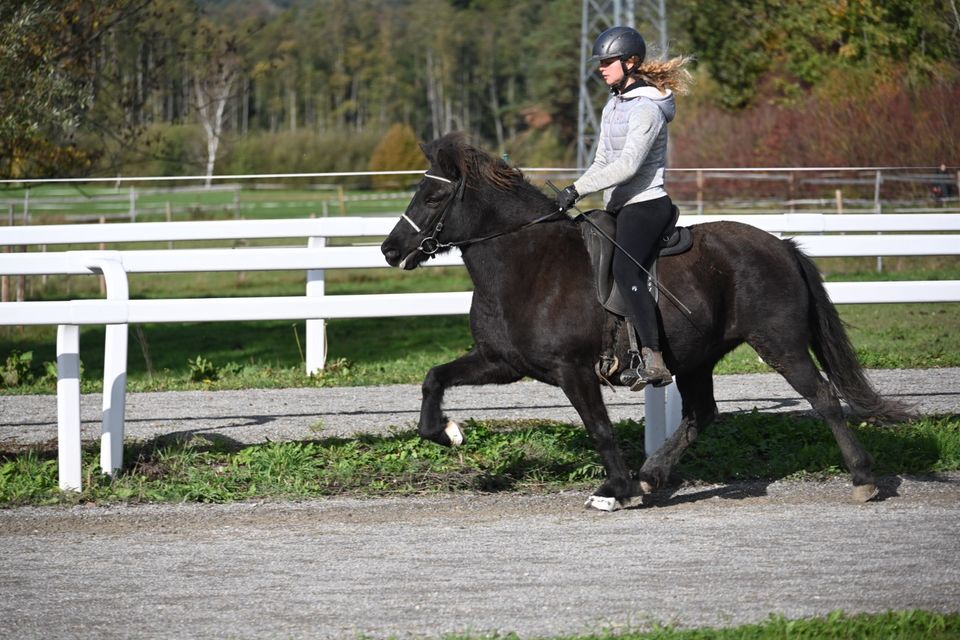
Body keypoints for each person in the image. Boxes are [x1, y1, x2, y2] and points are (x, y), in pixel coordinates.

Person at [556, 25, 693, 391]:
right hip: (618, 205)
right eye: (600, 62)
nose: (601, 68)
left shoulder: (647, 110)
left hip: (646, 204)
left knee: (626, 273)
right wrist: (576, 192)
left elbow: (629, 166)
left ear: (630, 62)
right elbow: (602, 161)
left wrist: (577, 188)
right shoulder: (613, 105)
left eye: (608, 62)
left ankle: (653, 357)